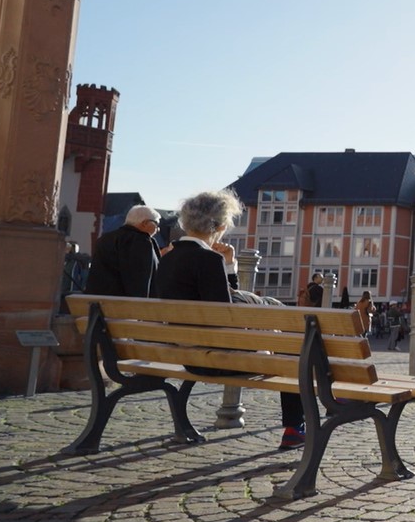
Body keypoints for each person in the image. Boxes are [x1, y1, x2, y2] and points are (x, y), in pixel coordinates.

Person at [154, 190, 304, 450]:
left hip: (187, 356)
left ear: (185, 222)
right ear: (221, 226)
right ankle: (294, 427)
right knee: (294, 354)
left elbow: (220, 304)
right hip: (216, 360)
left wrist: (229, 267)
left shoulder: (167, 259)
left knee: (286, 343)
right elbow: (227, 318)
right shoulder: (208, 259)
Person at [84, 204, 161, 298]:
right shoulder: (141, 241)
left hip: (97, 303)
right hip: (124, 306)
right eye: (156, 224)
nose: (158, 229)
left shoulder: (105, 239)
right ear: (144, 223)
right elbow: (139, 280)